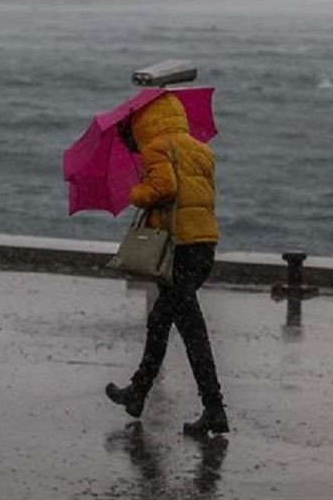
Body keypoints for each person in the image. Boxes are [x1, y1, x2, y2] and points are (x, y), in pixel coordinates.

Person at [106, 92, 229, 436]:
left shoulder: (157, 147)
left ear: (145, 121)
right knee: (162, 321)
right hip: (203, 246)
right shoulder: (199, 148)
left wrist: (136, 193)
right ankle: (139, 392)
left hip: (178, 249)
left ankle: (214, 408)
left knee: (190, 330)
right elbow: (198, 195)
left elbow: (164, 188)